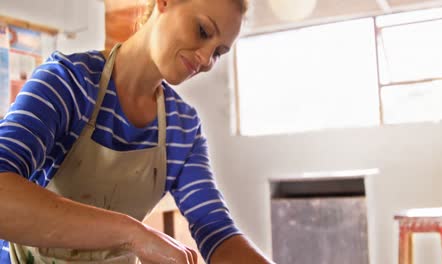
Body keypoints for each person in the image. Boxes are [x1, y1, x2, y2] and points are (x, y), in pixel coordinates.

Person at [0, 0, 274, 263]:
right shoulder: (69, 84)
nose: (205, 59)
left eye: (218, 53)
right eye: (202, 31)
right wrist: (132, 234)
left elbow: (217, 232)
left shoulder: (182, 128)